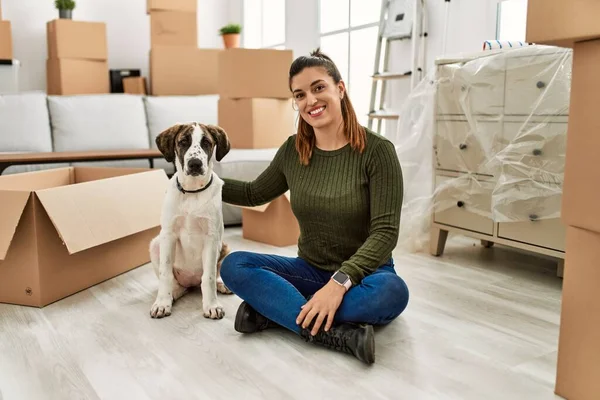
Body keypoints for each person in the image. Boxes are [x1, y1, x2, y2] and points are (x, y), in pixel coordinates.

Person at [219, 48, 409, 365]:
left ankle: (277, 311)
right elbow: (254, 193)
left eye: (318, 87)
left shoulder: (378, 152)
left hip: (366, 276)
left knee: (392, 294)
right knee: (234, 265)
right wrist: (200, 182)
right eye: (300, 94)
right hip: (309, 271)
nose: (310, 101)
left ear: (340, 88)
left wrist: (338, 283)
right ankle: (333, 330)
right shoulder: (292, 151)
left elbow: (385, 232)